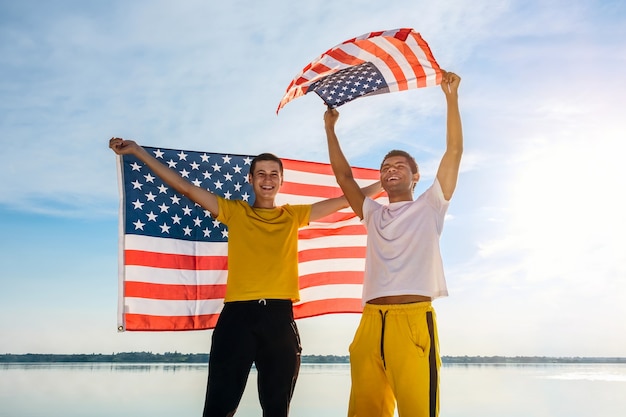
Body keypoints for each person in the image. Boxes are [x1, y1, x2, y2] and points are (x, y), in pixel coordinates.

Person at [108, 138, 381, 417]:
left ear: (281, 181)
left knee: (277, 409)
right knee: (219, 407)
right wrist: (138, 151)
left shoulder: (292, 216)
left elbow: (344, 200)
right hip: (237, 319)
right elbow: (186, 188)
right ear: (250, 179)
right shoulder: (235, 212)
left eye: (274, 174)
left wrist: (382, 184)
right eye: (261, 173)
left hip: (279, 319)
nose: (267, 179)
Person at [323, 70, 463, 417]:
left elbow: (454, 152)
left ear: (416, 177)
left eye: (400, 165)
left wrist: (451, 98)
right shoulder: (373, 213)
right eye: (386, 167)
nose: (391, 169)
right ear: (382, 179)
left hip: (413, 322)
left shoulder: (430, 205)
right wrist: (330, 129)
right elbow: (344, 178)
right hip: (371, 322)